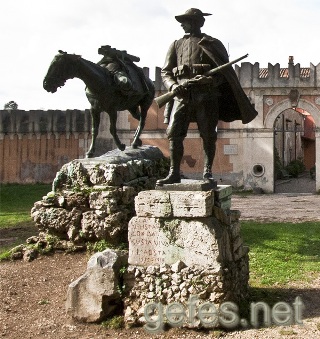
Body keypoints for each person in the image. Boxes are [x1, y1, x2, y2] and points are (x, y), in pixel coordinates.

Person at [156, 8, 258, 185]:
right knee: (174, 133)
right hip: (182, 96)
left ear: (197, 22)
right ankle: (174, 173)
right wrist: (174, 86)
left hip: (206, 97)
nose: (181, 24)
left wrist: (209, 80)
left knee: (209, 135)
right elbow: (166, 72)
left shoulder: (212, 44)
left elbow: (225, 74)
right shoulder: (176, 45)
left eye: (185, 21)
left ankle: (207, 172)